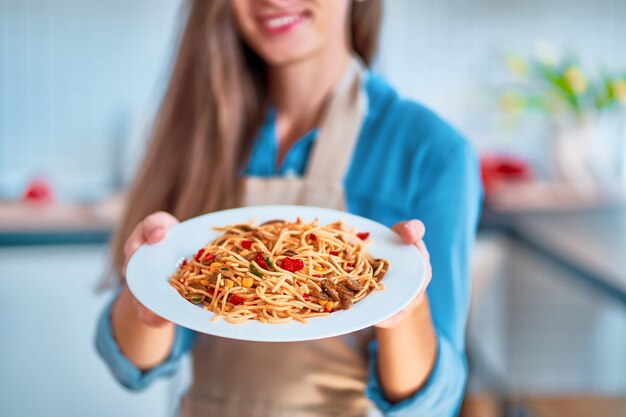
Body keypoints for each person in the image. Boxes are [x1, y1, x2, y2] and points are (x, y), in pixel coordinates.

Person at [96, 0, 482, 416]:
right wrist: (147, 294)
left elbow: (435, 402)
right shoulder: (203, 131)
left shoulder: (432, 152)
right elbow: (134, 364)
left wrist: (404, 309)